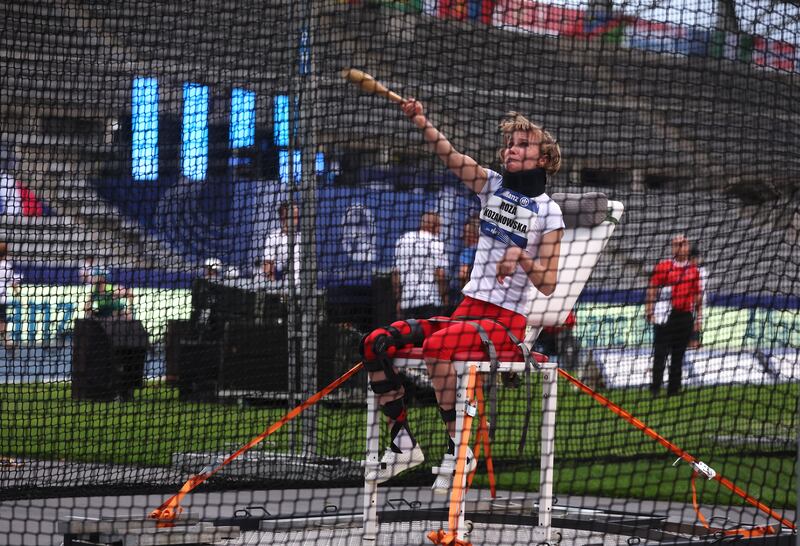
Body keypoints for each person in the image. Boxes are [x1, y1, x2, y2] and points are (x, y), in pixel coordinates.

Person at [359, 100, 564, 493]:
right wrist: (422, 121)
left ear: (544, 158)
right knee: (375, 342)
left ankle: (459, 448)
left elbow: (550, 283)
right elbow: (451, 157)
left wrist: (520, 256)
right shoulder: (492, 184)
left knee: (437, 348)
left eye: (522, 144)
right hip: (466, 313)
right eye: (508, 143)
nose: (511, 149)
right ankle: (403, 444)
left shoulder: (548, 211)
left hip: (505, 324)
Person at [645, 234, 702, 396]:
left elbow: (698, 296)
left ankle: (673, 389)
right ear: (672, 247)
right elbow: (652, 290)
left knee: (679, 354)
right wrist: (649, 310)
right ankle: (655, 388)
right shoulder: (664, 267)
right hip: (665, 315)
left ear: (688, 247)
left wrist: (699, 318)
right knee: (660, 353)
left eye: (683, 244)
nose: (680, 247)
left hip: (684, 316)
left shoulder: (693, 271)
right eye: (676, 244)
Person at [392, 211, 449, 319]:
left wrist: (399, 300)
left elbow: (396, 274)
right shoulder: (436, 242)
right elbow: (440, 275)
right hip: (431, 302)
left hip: (407, 302)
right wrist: (445, 299)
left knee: (410, 336)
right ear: (435, 226)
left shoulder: (403, 240)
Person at [262, 201, 301, 285]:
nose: (296, 218)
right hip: (281, 286)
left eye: (297, 215)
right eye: (293, 215)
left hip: (302, 286)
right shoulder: (273, 237)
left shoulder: (303, 238)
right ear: (282, 217)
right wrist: (272, 287)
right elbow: (267, 264)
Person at [0, 242, 21, 348]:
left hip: (3, 298)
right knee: (3, 320)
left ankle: (6, 340)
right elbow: (14, 282)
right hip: (2, 298)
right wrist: (18, 293)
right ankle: (6, 340)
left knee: (3, 320)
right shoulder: (6, 266)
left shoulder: (6, 266)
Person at [688, 243, 707, 349]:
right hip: (687, 306)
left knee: (694, 341)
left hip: (696, 305)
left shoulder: (701, 271)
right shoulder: (685, 269)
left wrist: (699, 319)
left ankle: (694, 342)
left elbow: (699, 297)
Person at [458, 214, 480, 287]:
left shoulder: (467, 252)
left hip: (472, 289)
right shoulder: (484, 249)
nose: (463, 236)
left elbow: (463, 274)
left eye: (465, 233)